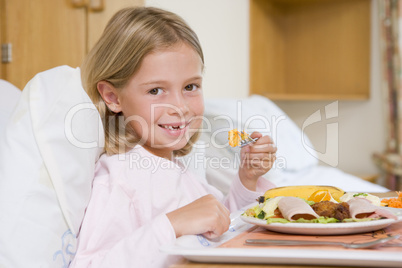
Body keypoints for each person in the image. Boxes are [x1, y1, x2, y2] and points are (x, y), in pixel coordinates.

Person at [71, 6, 277, 268]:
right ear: (112, 97)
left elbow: (220, 228)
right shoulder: (118, 180)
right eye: (156, 90)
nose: (180, 106)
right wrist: (172, 224)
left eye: (190, 87)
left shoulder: (180, 170)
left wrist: (247, 179)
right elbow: (90, 264)